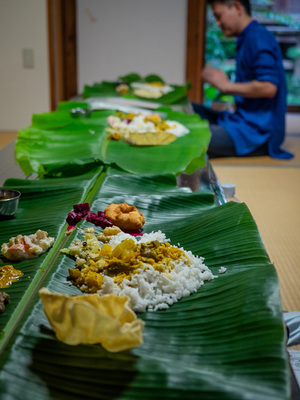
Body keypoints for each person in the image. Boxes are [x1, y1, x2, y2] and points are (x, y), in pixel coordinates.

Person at [193, 0, 293, 159]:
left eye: (219, 16)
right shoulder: (247, 37)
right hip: (239, 122)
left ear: (237, 7)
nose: (218, 23)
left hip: (257, 133)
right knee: (189, 109)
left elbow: (268, 87)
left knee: (186, 137)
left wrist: (226, 86)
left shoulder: (258, 37)